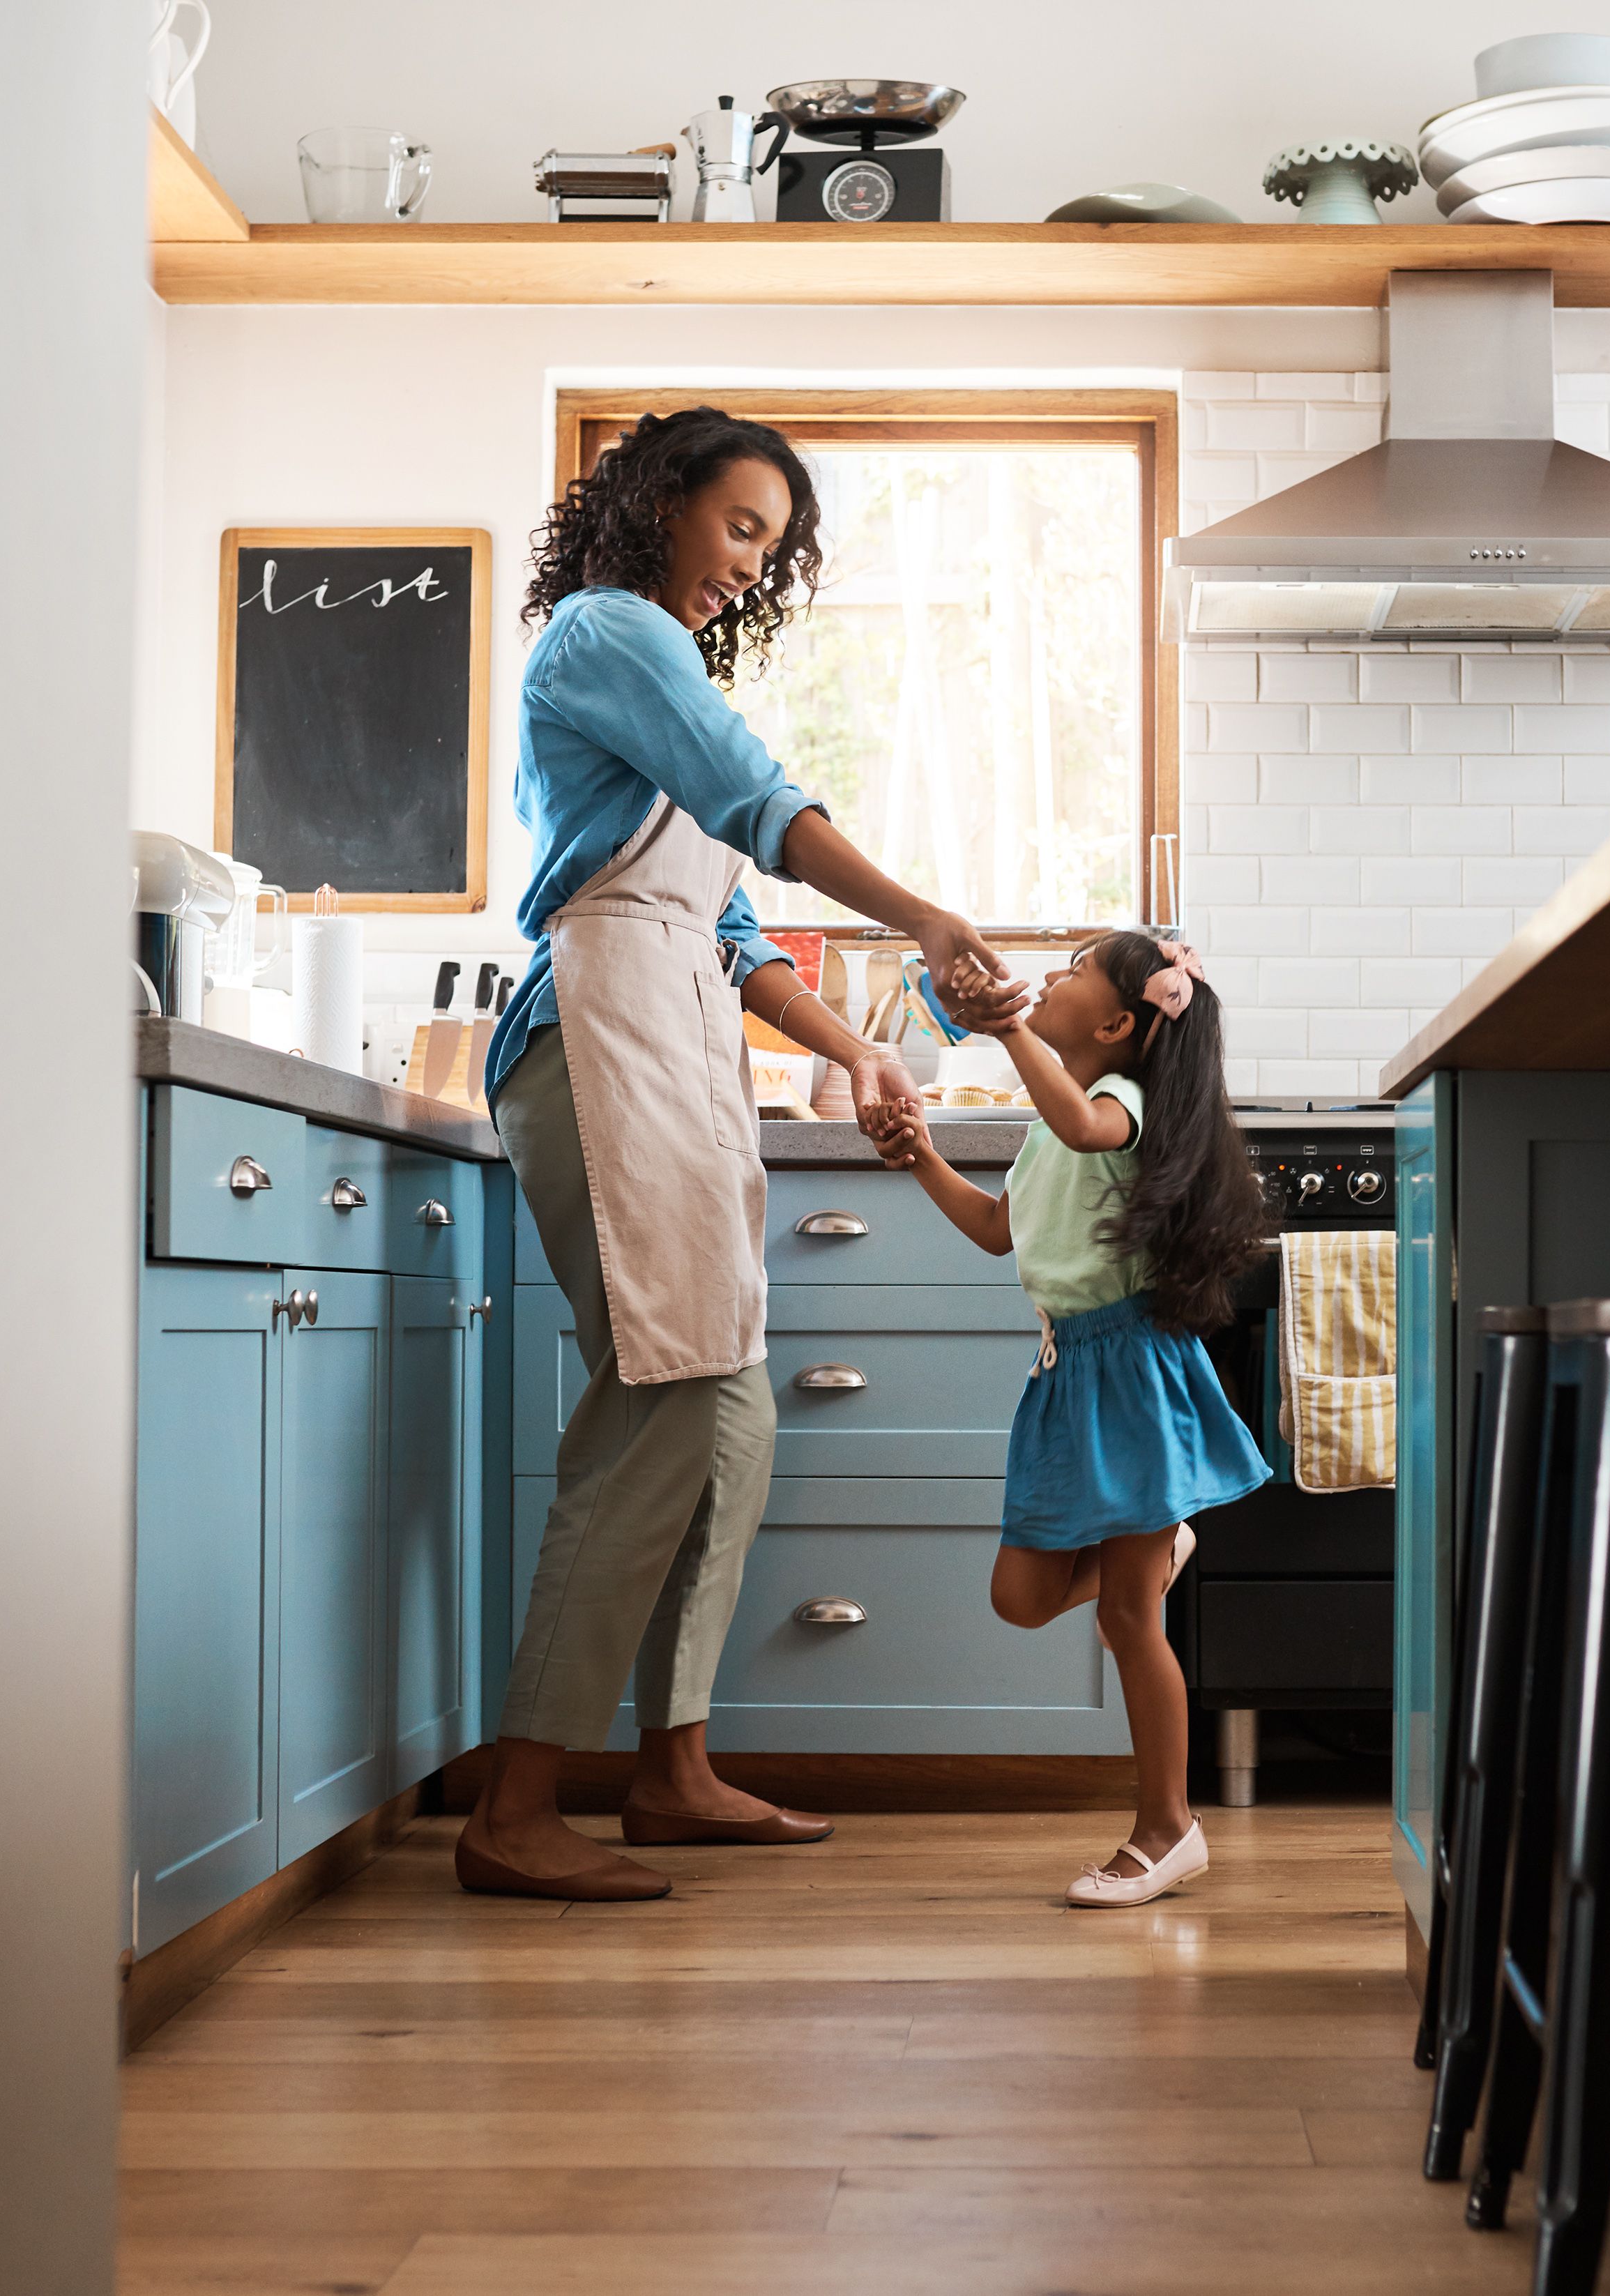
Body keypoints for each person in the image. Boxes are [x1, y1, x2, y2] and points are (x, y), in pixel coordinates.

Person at [457, 406, 1008, 1903]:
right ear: (660, 504)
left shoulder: (664, 663)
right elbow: (755, 798)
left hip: (676, 1022)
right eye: (738, 529)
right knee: (663, 1399)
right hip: (599, 1027)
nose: (746, 568)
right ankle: (514, 1806)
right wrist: (925, 920)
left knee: (730, 1412)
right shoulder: (603, 632)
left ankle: (672, 1768)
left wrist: (858, 1048)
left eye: (770, 548)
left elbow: (737, 930)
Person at [868, 932, 1273, 1906]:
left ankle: (1167, 1828)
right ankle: (1165, 1536)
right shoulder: (1051, 1122)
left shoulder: (1115, 1106)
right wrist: (916, 1153)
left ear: (1116, 1024)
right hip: (1068, 1372)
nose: (1052, 974)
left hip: (1130, 1368)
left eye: (1077, 968)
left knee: (1132, 1618)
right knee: (1022, 1593)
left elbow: (1090, 1128)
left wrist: (1009, 1031)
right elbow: (996, 1228)